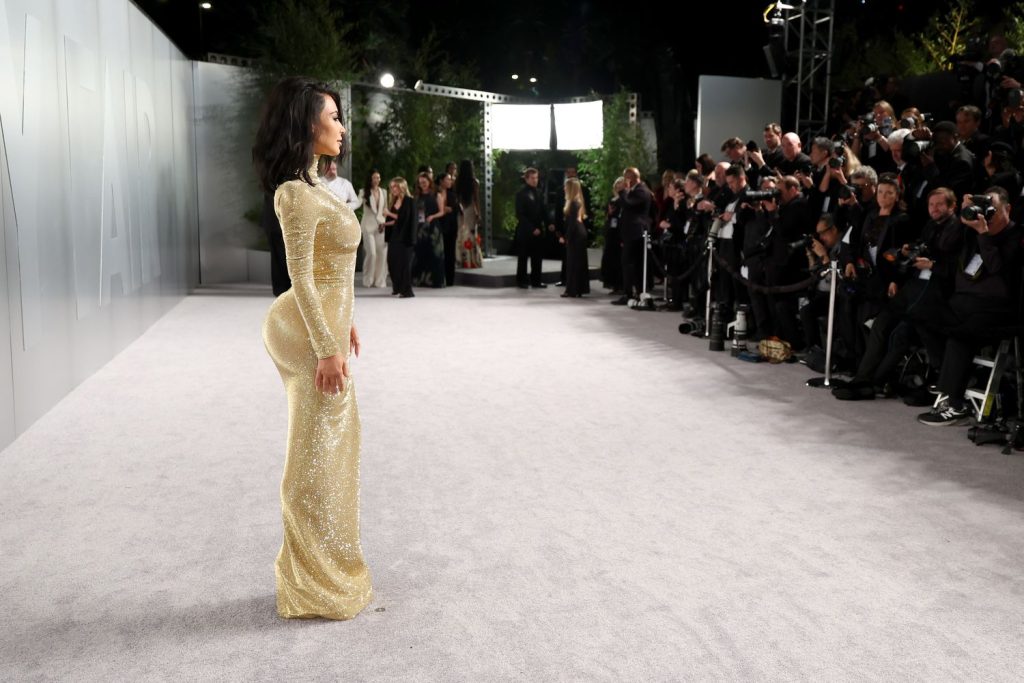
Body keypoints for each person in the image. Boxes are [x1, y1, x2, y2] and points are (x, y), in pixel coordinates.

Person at [252, 76, 372, 620]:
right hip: (302, 330)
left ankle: (323, 568)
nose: (342, 128)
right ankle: (306, 579)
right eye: (334, 118)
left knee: (337, 441)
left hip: (324, 325)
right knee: (314, 444)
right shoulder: (293, 193)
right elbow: (300, 276)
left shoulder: (320, 185)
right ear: (308, 125)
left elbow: (336, 270)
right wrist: (326, 346)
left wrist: (346, 323)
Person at [612, 167, 653, 305]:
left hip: (636, 232)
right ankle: (631, 292)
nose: (624, 181)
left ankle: (630, 293)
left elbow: (629, 204)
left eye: (625, 178)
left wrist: (623, 191)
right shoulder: (635, 190)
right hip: (631, 232)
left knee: (630, 264)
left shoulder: (641, 191)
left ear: (631, 178)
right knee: (629, 264)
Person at [515, 167, 548, 288]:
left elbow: (543, 210)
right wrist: (531, 228)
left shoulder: (539, 192)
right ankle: (522, 280)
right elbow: (520, 214)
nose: (535, 180)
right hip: (525, 230)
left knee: (537, 257)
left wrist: (549, 223)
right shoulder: (521, 194)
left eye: (537, 178)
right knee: (523, 257)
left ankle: (536, 280)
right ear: (527, 179)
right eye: (533, 178)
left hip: (538, 229)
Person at [412, 173, 445, 287]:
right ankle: (421, 279)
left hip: (434, 227)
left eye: (424, 182)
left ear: (429, 182)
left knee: (435, 253)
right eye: (420, 183)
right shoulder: (417, 196)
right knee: (420, 252)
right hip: (421, 228)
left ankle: (435, 280)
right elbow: (417, 213)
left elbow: (442, 212)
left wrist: (432, 216)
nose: (422, 185)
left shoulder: (437, 195)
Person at [384, 177, 415, 298]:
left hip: (406, 238)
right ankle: (397, 287)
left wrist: (389, 213)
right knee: (392, 262)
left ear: (402, 186)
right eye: (391, 187)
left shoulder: (409, 201)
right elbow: (395, 221)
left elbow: (404, 218)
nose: (393, 189)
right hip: (395, 236)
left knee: (404, 265)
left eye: (395, 186)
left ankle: (406, 291)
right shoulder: (394, 201)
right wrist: (385, 224)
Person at [358, 169, 388, 288]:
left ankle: (379, 280)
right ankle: (368, 279)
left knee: (382, 254)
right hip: (367, 226)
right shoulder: (363, 192)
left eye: (378, 178)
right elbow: (357, 203)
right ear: (370, 179)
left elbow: (385, 210)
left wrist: (384, 222)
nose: (377, 180)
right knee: (372, 253)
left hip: (381, 226)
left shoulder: (384, 192)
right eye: (375, 178)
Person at [561, 177, 590, 298]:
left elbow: (572, 223)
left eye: (566, 187)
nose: (564, 189)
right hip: (580, 231)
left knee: (573, 262)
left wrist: (566, 237)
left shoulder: (573, 203)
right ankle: (578, 288)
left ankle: (572, 289)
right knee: (578, 261)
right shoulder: (578, 201)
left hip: (576, 233)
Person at [455, 159, 483, 268]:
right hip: (470, 209)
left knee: (461, 233)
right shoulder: (474, 182)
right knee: (470, 234)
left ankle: (460, 259)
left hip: (460, 210)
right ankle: (471, 260)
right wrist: (478, 213)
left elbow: (456, 197)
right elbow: (476, 199)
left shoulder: (457, 181)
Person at [601, 177, 625, 293]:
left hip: (619, 231)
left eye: (621, 184)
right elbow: (606, 215)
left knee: (618, 259)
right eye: (617, 184)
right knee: (609, 257)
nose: (618, 186)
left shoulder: (624, 199)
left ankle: (620, 284)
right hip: (610, 231)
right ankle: (613, 284)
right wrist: (609, 213)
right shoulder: (612, 199)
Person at [438, 171, 459, 285]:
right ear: (441, 181)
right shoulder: (435, 193)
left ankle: (450, 279)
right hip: (438, 225)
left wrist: (449, 210)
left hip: (451, 227)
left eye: (451, 179)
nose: (450, 181)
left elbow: (456, 210)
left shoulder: (453, 195)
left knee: (450, 253)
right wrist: (442, 209)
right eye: (447, 179)